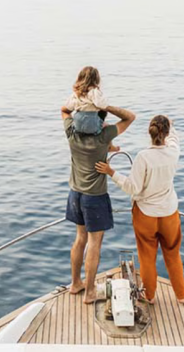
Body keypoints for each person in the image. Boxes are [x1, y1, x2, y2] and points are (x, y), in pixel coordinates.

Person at [94, 115, 184, 304]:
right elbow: (174, 139)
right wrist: (172, 126)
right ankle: (182, 295)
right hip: (169, 214)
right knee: (173, 255)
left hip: (146, 216)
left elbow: (133, 188)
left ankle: (149, 296)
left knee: (147, 257)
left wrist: (111, 172)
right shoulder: (173, 152)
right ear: (166, 133)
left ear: (150, 132)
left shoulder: (144, 157)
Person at [63, 101, 135, 304]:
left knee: (80, 239)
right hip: (95, 197)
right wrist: (106, 106)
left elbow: (64, 110)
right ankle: (90, 292)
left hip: (75, 194)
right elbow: (130, 117)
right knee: (94, 243)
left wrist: (80, 101)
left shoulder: (71, 133)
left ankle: (75, 283)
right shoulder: (104, 136)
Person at [62, 66, 110, 135]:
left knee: (76, 121)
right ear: (97, 79)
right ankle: (102, 136)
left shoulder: (76, 93)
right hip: (92, 123)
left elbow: (69, 106)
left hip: (78, 123)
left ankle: (78, 132)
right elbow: (102, 105)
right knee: (107, 126)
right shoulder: (95, 92)